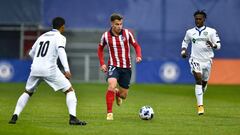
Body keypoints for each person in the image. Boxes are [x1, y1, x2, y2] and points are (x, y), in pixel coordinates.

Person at [9, 17, 87, 125]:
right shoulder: (60, 37)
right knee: (69, 90)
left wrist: (39, 61)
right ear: (62, 26)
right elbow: (61, 51)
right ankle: (73, 118)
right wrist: (67, 69)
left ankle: (14, 116)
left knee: (27, 92)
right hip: (49, 69)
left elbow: (31, 53)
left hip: (35, 68)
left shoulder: (42, 36)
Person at [97, 13, 142, 120]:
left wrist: (139, 55)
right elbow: (100, 49)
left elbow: (136, 45)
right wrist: (102, 63)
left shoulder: (127, 33)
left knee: (124, 96)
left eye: (121, 24)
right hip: (113, 65)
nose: (119, 26)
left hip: (126, 67)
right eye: (117, 24)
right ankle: (109, 113)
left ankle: (117, 94)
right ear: (112, 23)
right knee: (112, 84)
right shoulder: (105, 36)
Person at [181, 10, 221, 115]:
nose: (197, 20)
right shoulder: (190, 32)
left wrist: (213, 45)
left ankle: (200, 92)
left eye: (200, 19)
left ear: (204, 19)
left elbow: (218, 45)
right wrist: (183, 50)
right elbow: (185, 41)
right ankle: (200, 107)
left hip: (207, 61)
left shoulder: (211, 31)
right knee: (198, 79)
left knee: (204, 82)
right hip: (195, 59)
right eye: (196, 19)